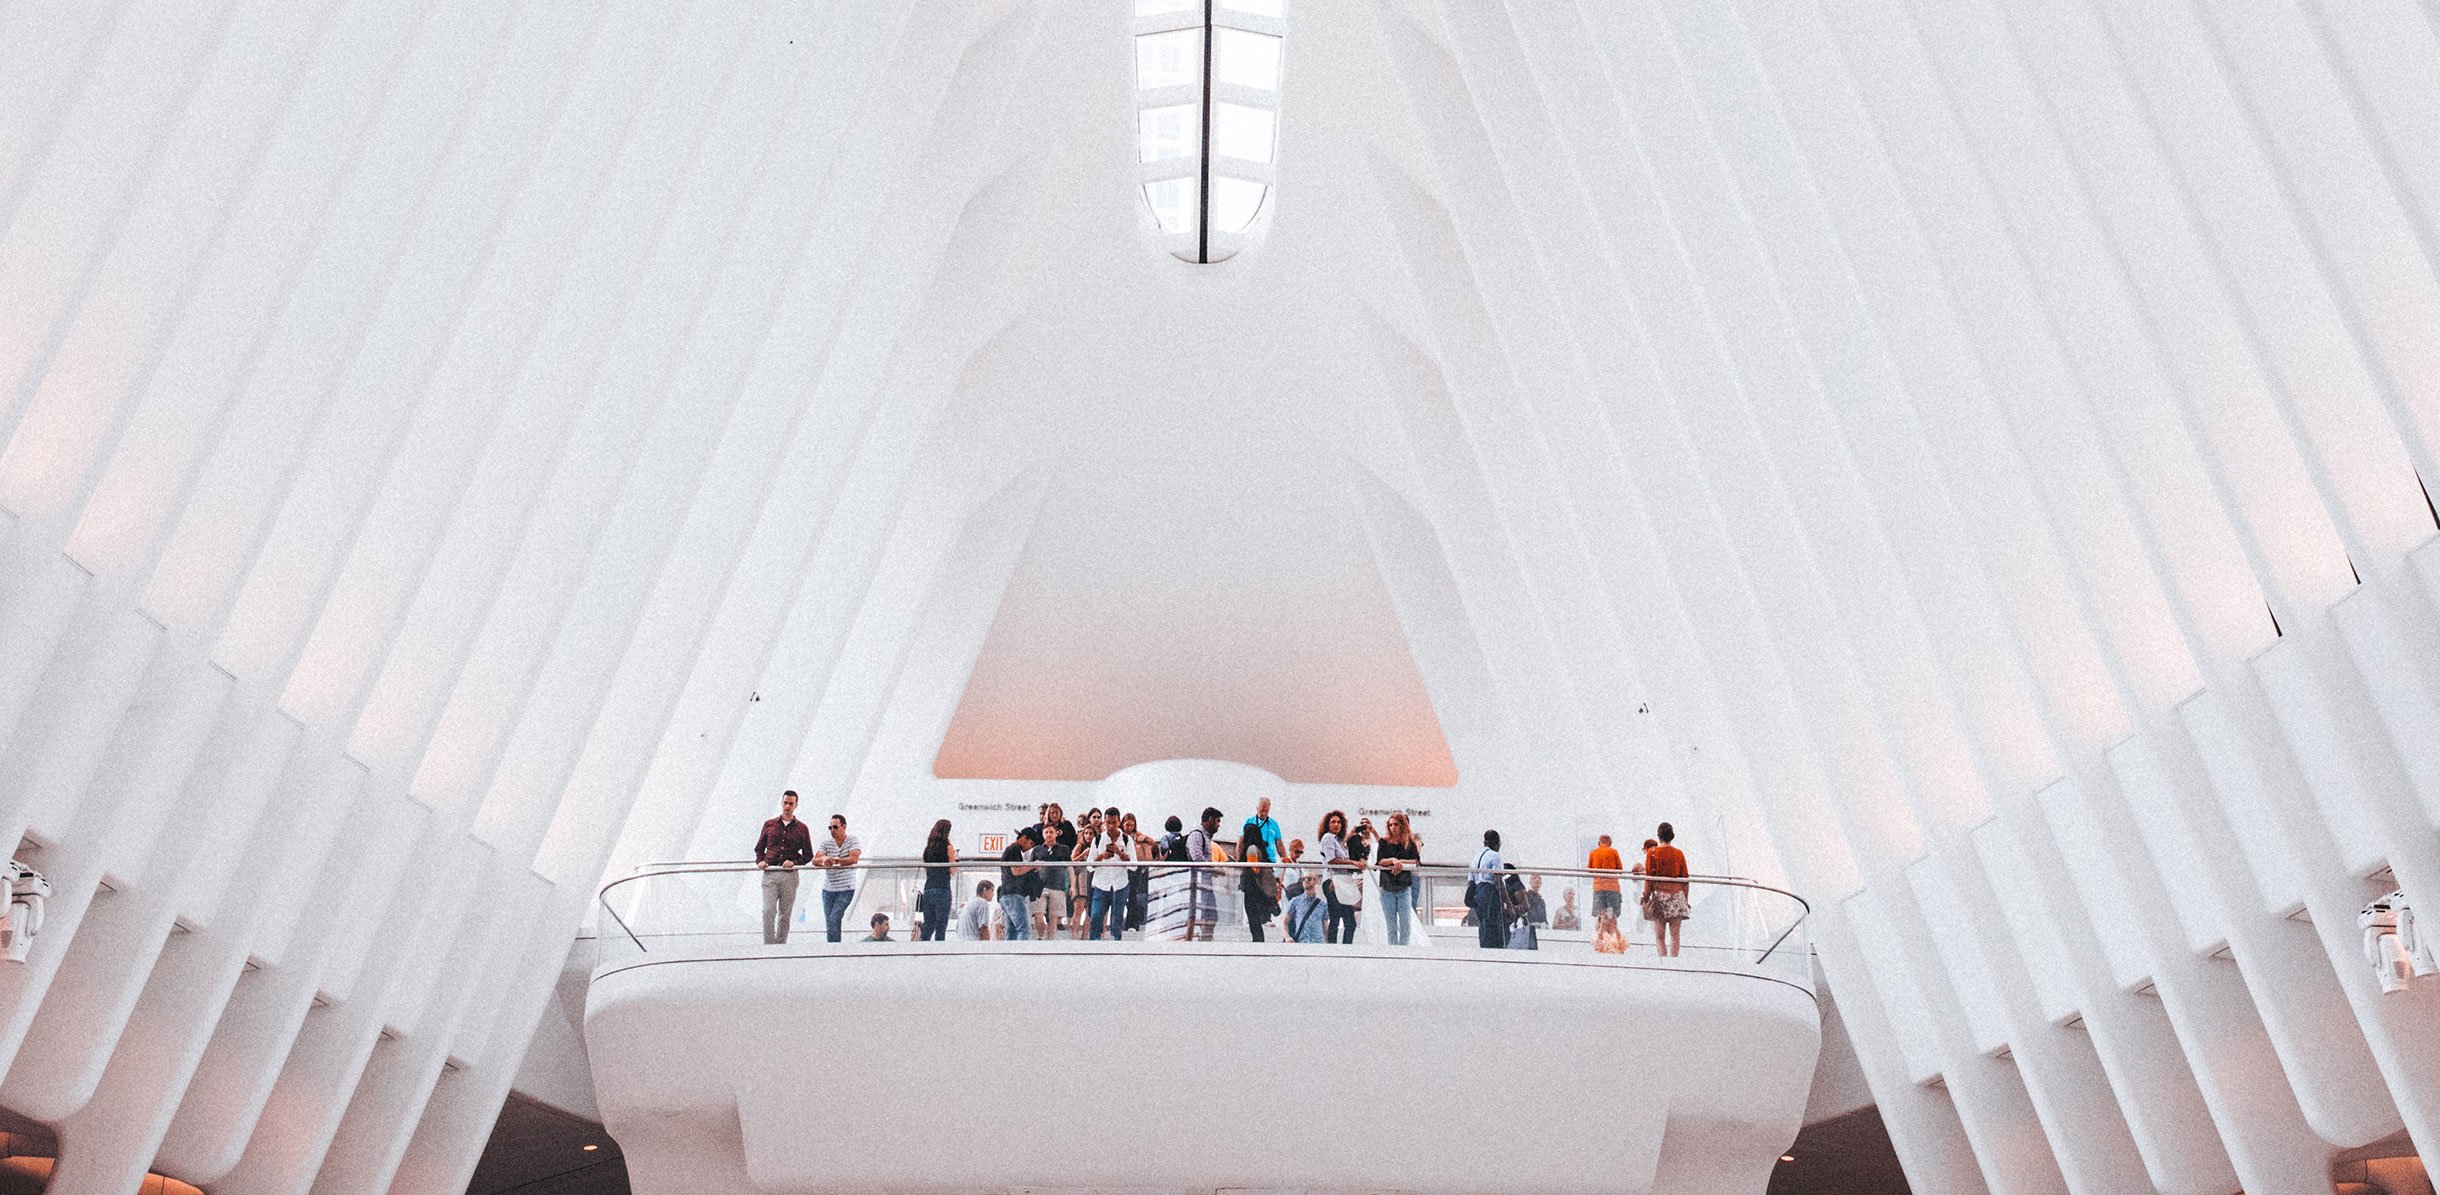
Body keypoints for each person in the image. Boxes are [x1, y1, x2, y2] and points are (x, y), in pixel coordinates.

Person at [754, 791, 814, 944]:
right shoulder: (770, 824)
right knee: (768, 911)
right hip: (771, 872)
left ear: (796, 805)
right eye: (785, 803)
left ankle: (780, 945)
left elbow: (808, 855)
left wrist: (794, 862)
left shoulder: (802, 828)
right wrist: (760, 861)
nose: (787, 806)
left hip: (789, 875)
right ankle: (768, 945)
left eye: (791, 804)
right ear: (782, 803)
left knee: (785, 913)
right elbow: (759, 848)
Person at [810, 813, 863, 943]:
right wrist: (824, 858)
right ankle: (833, 948)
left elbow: (854, 858)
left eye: (835, 827)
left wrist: (836, 860)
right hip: (829, 889)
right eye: (830, 828)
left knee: (835, 917)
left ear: (844, 827)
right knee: (830, 922)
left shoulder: (852, 840)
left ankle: (835, 948)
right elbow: (815, 859)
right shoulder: (826, 843)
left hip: (846, 888)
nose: (832, 830)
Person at [1315, 811, 1361, 944]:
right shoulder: (1328, 837)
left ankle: (1346, 949)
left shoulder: (1339, 841)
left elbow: (1341, 849)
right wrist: (1353, 862)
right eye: (1333, 822)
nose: (1336, 824)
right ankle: (1332, 948)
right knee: (1335, 918)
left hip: (1343, 881)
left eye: (1339, 822)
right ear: (1327, 825)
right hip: (1332, 880)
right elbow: (1331, 860)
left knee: (1350, 922)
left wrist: (1351, 834)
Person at [1374, 812, 1420, 946]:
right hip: (1387, 887)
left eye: (1396, 824)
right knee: (1391, 926)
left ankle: (1404, 951)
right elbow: (1380, 861)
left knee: (1405, 925)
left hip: (1403, 887)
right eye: (1391, 825)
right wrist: (1393, 861)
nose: (1393, 827)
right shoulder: (1384, 842)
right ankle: (1393, 952)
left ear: (1402, 826)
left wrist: (1400, 862)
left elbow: (1416, 862)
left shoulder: (1409, 843)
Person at [1645, 822, 1690, 958]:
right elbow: (1685, 878)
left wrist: (1646, 896)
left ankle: (1664, 962)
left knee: (1660, 936)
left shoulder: (1652, 853)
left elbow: (1649, 878)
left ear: (1659, 837)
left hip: (1660, 897)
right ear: (1672, 836)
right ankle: (1674, 961)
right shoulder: (1678, 853)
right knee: (1675, 935)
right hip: (1677, 896)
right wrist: (1685, 899)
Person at [1089, 808, 1134, 940]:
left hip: (1120, 885)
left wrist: (1120, 853)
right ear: (1104, 822)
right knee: (1096, 917)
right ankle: (1093, 948)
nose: (1111, 826)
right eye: (1108, 822)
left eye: (1114, 822)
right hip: (1100, 885)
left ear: (1119, 822)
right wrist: (1102, 856)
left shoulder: (1127, 839)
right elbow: (1089, 865)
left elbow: (1134, 865)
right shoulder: (1098, 839)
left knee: (1117, 921)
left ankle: (1116, 949)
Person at [1184, 807, 1223, 941]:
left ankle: (1206, 940)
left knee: (1211, 915)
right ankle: (1198, 942)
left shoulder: (1206, 837)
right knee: (1197, 916)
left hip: (1205, 884)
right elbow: (1197, 858)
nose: (1219, 825)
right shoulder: (1197, 834)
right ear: (1210, 820)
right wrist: (1214, 869)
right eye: (1217, 821)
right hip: (1198, 885)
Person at [918, 818, 957, 942]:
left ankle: (922, 948)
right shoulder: (948, 848)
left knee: (929, 924)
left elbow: (925, 867)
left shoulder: (928, 849)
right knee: (941, 925)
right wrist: (956, 859)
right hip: (943, 888)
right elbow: (953, 871)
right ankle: (939, 952)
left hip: (928, 888)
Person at [1469, 830, 1507, 949]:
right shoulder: (1495, 856)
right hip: (1489, 891)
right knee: (1493, 924)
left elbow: (1471, 880)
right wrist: (1508, 903)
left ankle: (1485, 948)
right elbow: (1498, 880)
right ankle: (1495, 950)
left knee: (1483, 925)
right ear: (1497, 843)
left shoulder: (1476, 857)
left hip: (1478, 892)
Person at [999, 828, 1039, 940]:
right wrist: (1033, 865)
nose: (1030, 847)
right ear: (1024, 838)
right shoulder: (1015, 849)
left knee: (1011, 933)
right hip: (1013, 894)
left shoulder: (1010, 849)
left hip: (1006, 895)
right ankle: (1021, 956)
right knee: (1024, 930)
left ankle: (1011, 955)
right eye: (1031, 843)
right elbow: (1016, 870)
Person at [1239, 838, 1280, 941]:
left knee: (1254, 922)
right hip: (1259, 889)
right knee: (1257, 923)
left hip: (1253, 889)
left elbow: (1254, 868)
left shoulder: (1251, 849)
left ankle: (1258, 942)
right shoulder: (1261, 850)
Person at [1587, 834, 1625, 927]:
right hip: (1612, 889)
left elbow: (1589, 869)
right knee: (1612, 915)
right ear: (1610, 843)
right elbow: (1620, 869)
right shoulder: (1614, 852)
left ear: (1598, 843)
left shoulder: (1593, 853)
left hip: (1599, 888)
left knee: (1600, 915)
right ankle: (1612, 935)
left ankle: (1599, 935)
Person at [1122, 812, 1151, 931]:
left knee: (1132, 897)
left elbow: (1152, 843)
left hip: (1134, 870)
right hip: (1121, 869)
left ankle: (1132, 924)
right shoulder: (1119, 835)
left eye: (1131, 825)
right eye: (1127, 825)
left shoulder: (1136, 835)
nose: (1129, 828)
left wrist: (1145, 838)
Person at [1284, 873, 1328, 943]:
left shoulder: (1323, 904)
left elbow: (1325, 927)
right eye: (1303, 879)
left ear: (1316, 881)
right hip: (1301, 942)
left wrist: (1327, 943)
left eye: (1309, 879)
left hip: (1318, 943)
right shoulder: (1295, 901)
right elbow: (1285, 921)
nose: (1306, 881)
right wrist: (1287, 937)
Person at [1242, 797, 1285, 869]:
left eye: (1266, 811)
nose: (1264, 813)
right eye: (1262, 810)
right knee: (1252, 849)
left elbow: (1279, 843)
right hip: (1253, 858)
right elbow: (1241, 841)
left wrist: (1284, 857)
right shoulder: (1249, 821)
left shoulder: (1273, 823)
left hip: (1269, 860)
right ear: (1257, 808)